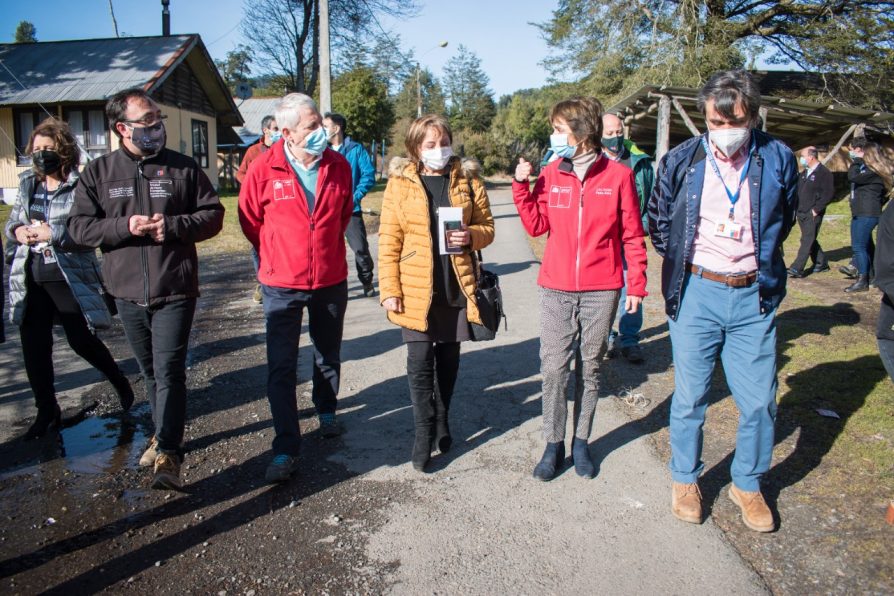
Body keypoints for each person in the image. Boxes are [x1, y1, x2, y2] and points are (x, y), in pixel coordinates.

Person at [648, 70, 798, 532]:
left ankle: (747, 484)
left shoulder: (777, 158)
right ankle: (685, 479)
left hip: (753, 294)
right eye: (715, 122)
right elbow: (658, 219)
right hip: (697, 292)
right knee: (692, 395)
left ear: (752, 115)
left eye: (734, 121)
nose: (724, 131)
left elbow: (784, 216)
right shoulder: (682, 159)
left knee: (759, 401)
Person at [68, 89, 224, 490]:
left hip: (175, 286)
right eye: (147, 123)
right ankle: (160, 432)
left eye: (159, 121)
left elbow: (213, 216)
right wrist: (125, 227)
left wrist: (171, 227)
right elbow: (79, 229)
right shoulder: (99, 173)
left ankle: (169, 452)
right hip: (125, 291)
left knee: (170, 369)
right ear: (122, 128)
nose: (156, 129)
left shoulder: (183, 168)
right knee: (150, 371)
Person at [514, 97, 647, 481]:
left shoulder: (619, 176)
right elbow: (537, 225)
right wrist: (522, 188)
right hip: (555, 286)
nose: (553, 136)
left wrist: (635, 284)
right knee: (553, 368)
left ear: (582, 132)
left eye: (558, 130)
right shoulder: (553, 172)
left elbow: (633, 237)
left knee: (590, 369)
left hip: (602, 289)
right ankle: (553, 443)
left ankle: (581, 441)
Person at [238, 93, 354, 483]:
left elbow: (339, 218)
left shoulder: (338, 165)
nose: (322, 131)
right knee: (282, 366)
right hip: (281, 285)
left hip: (329, 279)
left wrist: (320, 251)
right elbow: (250, 221)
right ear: (286, 133)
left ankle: (326, 410)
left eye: (321, 123)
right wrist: (278, 253)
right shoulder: (262, 168)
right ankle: (286, 445)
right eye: (312, 126)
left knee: (327, 353)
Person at [379, 114, 494, 472]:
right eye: (430, 145)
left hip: (454, 282)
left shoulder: (468, 178)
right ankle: (422, 431)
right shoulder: (400, 183)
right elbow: (388, 240)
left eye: (443, 143)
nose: (439, 151)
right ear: (415, 148)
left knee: (448, 358)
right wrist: (389, 289)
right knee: (418, 362)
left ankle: (443, 419)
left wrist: (471, 237)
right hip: (415, 287)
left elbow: (487, 228)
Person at [6, 118, 133, 440]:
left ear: (62, 150)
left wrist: (56, 233)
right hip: (30, 275)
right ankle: (46, 412)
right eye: (36, 149)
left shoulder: (79, 186)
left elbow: (91, 232)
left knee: (81, 340)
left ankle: (118, 379)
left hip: (68, 276)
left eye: (48, 149)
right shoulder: (26, 184)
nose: (41, 155)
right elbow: (12, 223)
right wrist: (17, 231)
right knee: (34, 347)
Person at [601, 112, 654, 363]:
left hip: (631, 235)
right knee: (604, 289)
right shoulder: (594, 161)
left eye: (619, 131)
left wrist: (643, 225)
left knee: (631, 286)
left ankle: (630, 339)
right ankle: (607, 336)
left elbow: (651, 198)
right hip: (604, 238)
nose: (616, 137)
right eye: (610, 133)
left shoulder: (639, 161)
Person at [323, 112, 378, 297]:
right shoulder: (323, 151)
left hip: (351, 210)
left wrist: (355, 197)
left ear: (336, 128)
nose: (322, 130)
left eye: (325, 126)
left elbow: (368, 175)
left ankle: (367, 280)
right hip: (328, 211)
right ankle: (333, 285)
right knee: (328, 250)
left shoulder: (356, 149)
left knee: (360, 248)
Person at [236, 115, 280, 304]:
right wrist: (253, 186)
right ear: (266, 130)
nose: (279, 132)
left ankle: (275, 280)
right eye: (276, 128)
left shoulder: (284, 150)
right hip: (257, 206)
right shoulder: (254, 151)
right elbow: (240, 174)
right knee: (258, 247)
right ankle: (262, 281)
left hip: (276, 205)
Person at [842, 138, 891, 292]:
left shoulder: (872, 172)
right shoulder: (869, 171)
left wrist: (856, 161)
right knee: (867, 246)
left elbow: (852, 177)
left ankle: (862, 280)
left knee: (858, 246)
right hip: (861, 212)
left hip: (866, 213)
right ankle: (873, 275)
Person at [788, 146, 834, 278]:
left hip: (813, 212)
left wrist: (816, 209)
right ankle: (821, 263)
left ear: (811, 157)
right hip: (801, 211)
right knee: (810, 239)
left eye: (803, 156)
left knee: (806, 240)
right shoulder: (804, 173)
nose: (801, 159)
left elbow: (828, 193)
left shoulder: (824, 173)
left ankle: (797, 268)